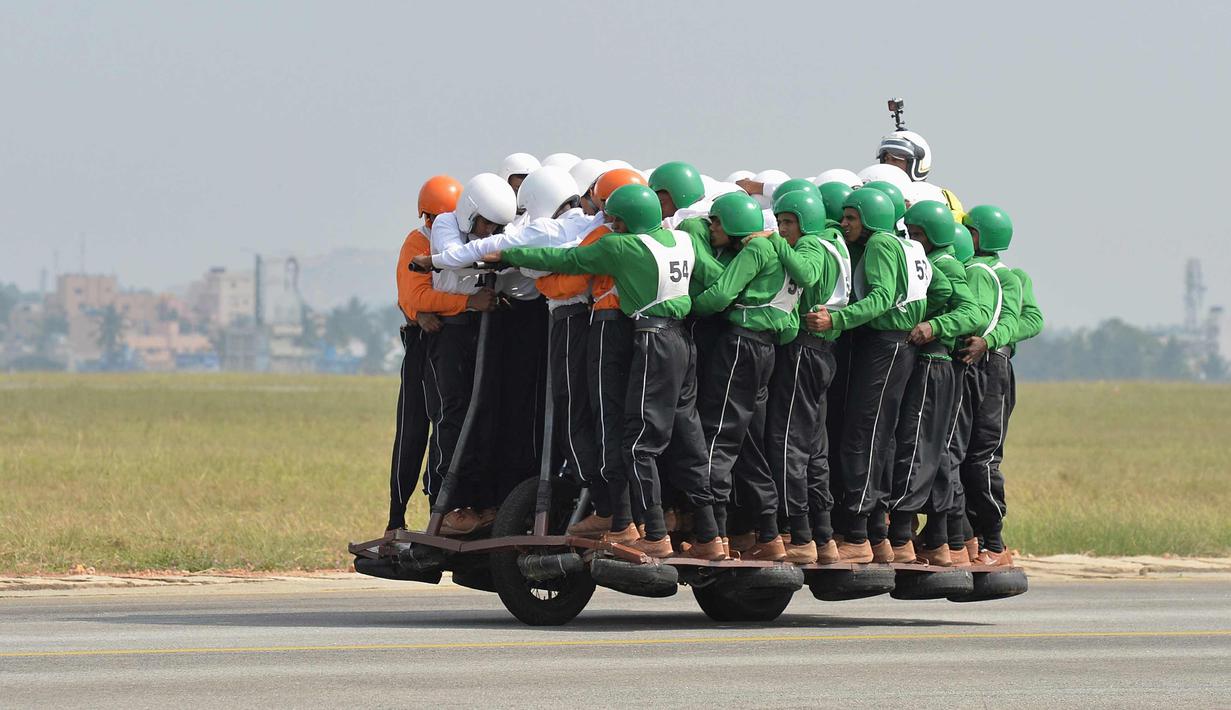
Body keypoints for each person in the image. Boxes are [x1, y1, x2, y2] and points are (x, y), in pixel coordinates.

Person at [494, 184, 725, 560]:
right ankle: (712, 534)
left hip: (652, 339)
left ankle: (653, 534)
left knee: (637, 443)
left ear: (628, 220)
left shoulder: (622, 247)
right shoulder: (682, 240)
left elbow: (565, 260)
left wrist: (505, 252)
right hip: (684, 341)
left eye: (616, 219)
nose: (611, 225)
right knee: (689, 436)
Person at [803, 189, 950, 562]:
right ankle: (879, 537)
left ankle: (858, 533)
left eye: (852, 217)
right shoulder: (905, 245)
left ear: (870, 219)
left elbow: (882, 298)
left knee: (862, 436)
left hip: (885, 345)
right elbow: (939, 289)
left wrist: (837, 318)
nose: (846, 223)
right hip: (897, 346)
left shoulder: (881, 246)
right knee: (878, 438)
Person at [534, 168, 650, 538]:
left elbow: (569, 277)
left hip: (602, 326)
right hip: (646, 332)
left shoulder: (604, 237)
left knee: (588, 414)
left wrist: (542, 280)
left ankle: (608, 508)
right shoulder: (659, 239)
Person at [691, 192, 799, 561]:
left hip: (740, 346)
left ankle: (712, 533)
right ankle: (769, 534)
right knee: (751, 444)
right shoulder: (786, 254)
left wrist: (686, 307)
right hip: (767, 350)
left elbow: (721, 294)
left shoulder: (755, 250)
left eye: (717, 222)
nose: (712, 228)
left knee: (717, 434)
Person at [755, 188, 851, 564]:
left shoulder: (811, 247)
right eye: (779, 223)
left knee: (786, 444)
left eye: (788, 222)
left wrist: (774, 246)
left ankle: (799, 535)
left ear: (806, 221)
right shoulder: (834, 242)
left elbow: (806, 272)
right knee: (814, 450)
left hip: (805, 349)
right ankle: (823, 537)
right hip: (823, 352)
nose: (782, 230)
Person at [416, 173, 512, 535]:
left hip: (484, 328)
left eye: (496, 225)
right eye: (485, 222)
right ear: (470, 213)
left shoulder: (491, 235)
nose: (489, 231)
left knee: (486, 415)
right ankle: (443, 503)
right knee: (452, 414)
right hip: (450, 333)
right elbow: (452, 260)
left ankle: (478, 503)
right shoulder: (444, 223)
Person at [887, 201, 982, 564]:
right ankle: (944, 538)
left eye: (915, 234)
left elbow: (971, 311)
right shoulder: (937, 261)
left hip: (932, 363)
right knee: (935, 451)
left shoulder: (941, 265)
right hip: (936, 366)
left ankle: (901, 536)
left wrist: (932, 326)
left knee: (916, 447)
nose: (910, 240)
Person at [387, 175, 465, 534]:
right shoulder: (416, 244)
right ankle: (396, 518)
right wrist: (463, 304)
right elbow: (415, 299)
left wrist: (442, 309)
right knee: (413, 430)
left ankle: (440, 506)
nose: (439, 226)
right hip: (421, 347)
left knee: (447, 422)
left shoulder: (460, 245)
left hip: (449, 345)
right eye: (434, 219)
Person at [956, 206, 1022, 566]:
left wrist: (988, 339)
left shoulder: (1004, 276)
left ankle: (994, 544)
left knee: (982, 458)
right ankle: (965, 535)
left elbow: (1014, 320)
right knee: (957, 455)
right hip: (969, 366)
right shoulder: (968, 270)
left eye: (969, 230)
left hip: (991, 365)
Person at [876, 130, 965, 221]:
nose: (889, 164)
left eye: (896, 160)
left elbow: (949, 226)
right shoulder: (875, 194)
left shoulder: (939, 196)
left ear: (915, 164)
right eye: (886, 159)